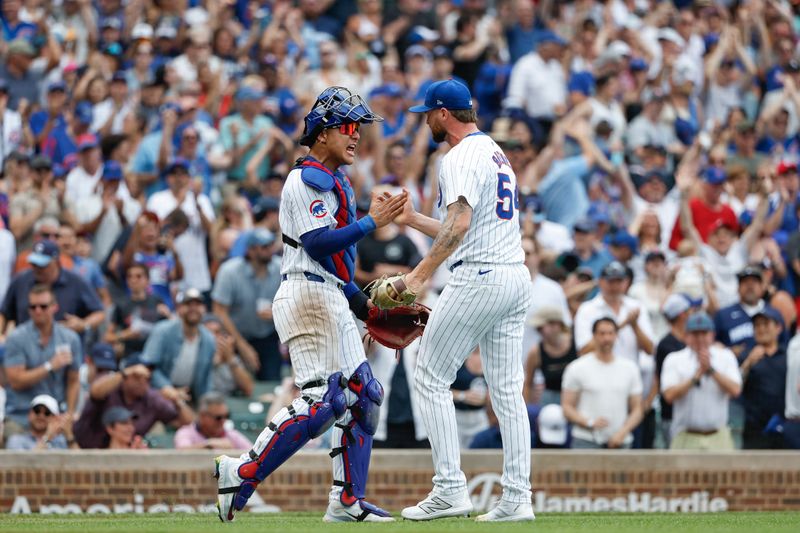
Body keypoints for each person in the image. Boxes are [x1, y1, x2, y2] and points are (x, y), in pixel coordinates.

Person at [213, 86, 405, 523]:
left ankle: (347, 501)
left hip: (329, 293)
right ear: (321, 134)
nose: (356, 136)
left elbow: (338, 264)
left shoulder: (336, 179)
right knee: (322, 400)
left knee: (365, 396)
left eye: (359, 128)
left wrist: (366, 308)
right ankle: (240, 470)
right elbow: (318, 244)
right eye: (348, 127)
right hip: (305, 292)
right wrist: (374, 222)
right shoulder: (307, 178)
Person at [389, 79, 534, 522]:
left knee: (430, 374)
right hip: (513, 275)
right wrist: (413, 218)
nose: (426, 121)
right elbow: (460, 225)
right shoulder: (492, 151)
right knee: (508, 391)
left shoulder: (457, 156)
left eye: (428, 113)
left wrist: (417, 276)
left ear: (444, 114)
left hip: (481, 276)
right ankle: (517, 497)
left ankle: (450, 489)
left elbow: (460, 226)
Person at [1, 284, 81, 435]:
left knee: (71, 447)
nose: (37, 311)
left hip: (55, 416)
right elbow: (16, 381)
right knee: (15, 444)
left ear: (54, 307)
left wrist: (69, 414)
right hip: (21, 416)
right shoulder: (16, 338)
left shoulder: (70, 338)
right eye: (33, 307)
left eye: (43, 306)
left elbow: (73, 380)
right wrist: (50, 366)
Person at [74, 354, 194, 449]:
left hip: (123, 458)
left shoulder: (151, 398)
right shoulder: (111, 385)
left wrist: (177, 401)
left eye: (147, 377)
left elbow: (188, 424)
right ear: (125, 377)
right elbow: (95, 391)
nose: (143, 381)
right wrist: (126, 371)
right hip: (84, 451)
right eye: (137, 376)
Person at [661, 312, 742, 450]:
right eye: (695, 334)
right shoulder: (674, 359)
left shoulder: (725, 356)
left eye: (704, 333)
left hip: (718, 435)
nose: (700, 338)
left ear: (712, 335)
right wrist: (695, 377)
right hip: (686, 434)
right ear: (686, 336)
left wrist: (711, 370)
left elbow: (735, 390)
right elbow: (669, 395)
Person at [561, 318, 644, 449]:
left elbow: (637, 409)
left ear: (616, 336)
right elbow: (567, 407)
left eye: (611, 333)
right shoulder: (577, 367)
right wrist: (588, 422)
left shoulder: (630, 368)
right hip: (586, 440)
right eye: (602, 333)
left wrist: (622, 432)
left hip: (621, 441)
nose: (607, 338)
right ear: (594, 336)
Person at [211, 229, 281, 380]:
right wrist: (242, 346)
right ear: (250, 250)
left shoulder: (280, 268)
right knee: (238, 386)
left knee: (272, 384)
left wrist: (278, 311)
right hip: (236, 336)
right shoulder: (230, 271)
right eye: (264, 247)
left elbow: (295, 301)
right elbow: (219, 311)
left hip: (268, 336)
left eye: (270, 245)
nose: (270, 250)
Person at [0, 240, 105, 339]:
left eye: (42, 265)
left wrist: (83, 324)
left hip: (65, 348)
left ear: (56, 262)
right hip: (26, 348)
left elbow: (99, 312)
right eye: (34, 264)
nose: (37, 269)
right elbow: (4, 312)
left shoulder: (75, 282)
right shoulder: (21, 280)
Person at [141, 288, 216, 405]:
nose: (193, 308)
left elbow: (207, 379)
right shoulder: (162, 331)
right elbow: (149, 366)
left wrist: (206, 405)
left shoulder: (209, 340)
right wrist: (167, 388)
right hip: (159, 394)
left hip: (189, 397)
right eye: (188, 304)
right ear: (179, 308)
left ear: (204, 309)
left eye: (198, 304)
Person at [739, 308, 787, 449]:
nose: (761, 329)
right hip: (754, 428)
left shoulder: (788, 355)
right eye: (757, 325)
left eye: (766, 324)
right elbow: (735, 388)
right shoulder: (745, 355)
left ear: (778, 328)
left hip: (783, 425)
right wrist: (747, 364)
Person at [655, 293, 693, 447]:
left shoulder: (690, 341)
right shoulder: (667, 345)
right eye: (689, 311)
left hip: (690, 413)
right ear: (682, 314)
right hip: (672, 415)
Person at [523, 306, 577, 407]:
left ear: (557, 324)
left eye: (541, 327)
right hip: (550, 401)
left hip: (576, 397)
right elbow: (528, 384)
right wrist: (526, 409)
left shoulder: (576, 344)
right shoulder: (536, 352)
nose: (539, 331)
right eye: (538, 328)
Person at [174, 392, 252, 450]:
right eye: (218, 417)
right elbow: (182, 451)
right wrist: (208, 445)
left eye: (226, 416)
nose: (223, 421)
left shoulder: (232, 435)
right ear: (203, 416)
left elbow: (254, 455)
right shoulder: (186, 432)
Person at [5, 394, 78, 450]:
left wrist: (69, 436)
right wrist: (47, 438)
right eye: (37, 411)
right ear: (29, 414)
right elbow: (25, 466)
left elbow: (81, 465)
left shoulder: (62, 442)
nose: (41, 416)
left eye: (47, 413)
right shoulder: (16, 440)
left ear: (55, 418)